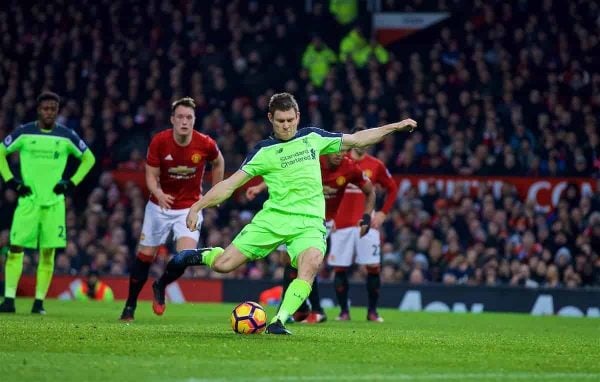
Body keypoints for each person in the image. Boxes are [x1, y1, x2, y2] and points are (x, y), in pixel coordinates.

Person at [163, 92, 415, 335]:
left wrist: (396, 126)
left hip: (310, 224)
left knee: (311, 263)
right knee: (223, 265)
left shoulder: (313, 137)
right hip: (274, 219)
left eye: (290, 120)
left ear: (298, 116)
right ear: (271, 118)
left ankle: (279, 320)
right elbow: (230, 185)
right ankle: (197, 256)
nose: (286, 126)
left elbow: (358, 139)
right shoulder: (263, 151)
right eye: (281, 121)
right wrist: (197, 206)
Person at [119, 97, 224, 321]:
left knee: (184, 257)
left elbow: (219, 161)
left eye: (189, 117)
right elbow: (150, 175)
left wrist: (216, 191)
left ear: (194, 120)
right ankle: (130, 305)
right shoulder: (160, 141)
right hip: (159, 207)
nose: (184, 122)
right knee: (145, 257)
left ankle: (160, 285)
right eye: (180, 117)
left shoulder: (204, 143)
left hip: (190, 208)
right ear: (172, 119)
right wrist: (158, 193)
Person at [246, 151, 375, 323]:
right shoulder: (312, 160)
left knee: (303, 260)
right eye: (336, 151)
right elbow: (285, 171)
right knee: (288, 260)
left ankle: (300, 309)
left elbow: (370, 191)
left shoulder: (350, 167)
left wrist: (366, 217)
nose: (340, 155)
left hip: (323, 220)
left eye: (343, 151)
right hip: (296, 213)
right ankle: (307, 309)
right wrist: (260, 187)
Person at [0, 91, 96, 314]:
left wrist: (71, 183)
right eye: (46, 108)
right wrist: (11, 182)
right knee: (15, 248)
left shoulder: (66, 135)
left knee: (47, 253)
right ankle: (9, 300)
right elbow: (1, 151)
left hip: (54, 204)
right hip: (28, 202)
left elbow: (89, 158)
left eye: (53, 108)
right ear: (38, 110)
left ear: (58, 110)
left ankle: (39, 303)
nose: (49, 112)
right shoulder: (24, 133)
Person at [328, 125, 399, 322]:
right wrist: (329, 217)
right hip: (340, 225)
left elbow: (392, 189)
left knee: (373, 267)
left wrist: (383, 214)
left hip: (366, 224)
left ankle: (373, 312)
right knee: (340, 268)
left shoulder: (375, 165)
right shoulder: (339, 161)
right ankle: (344, 312)